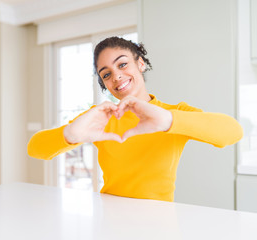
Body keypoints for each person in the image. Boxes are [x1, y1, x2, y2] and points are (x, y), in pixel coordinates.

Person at [27, 37, 243, 202]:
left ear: (140, 63)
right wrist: (71, 135)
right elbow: (35, 148)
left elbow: (233, 132)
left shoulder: (172, 113)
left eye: (122, 65)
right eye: (106, 74)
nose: (116, 76)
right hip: (109, 217)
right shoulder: (101, 117)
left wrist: (168, 120)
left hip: (158, 222)